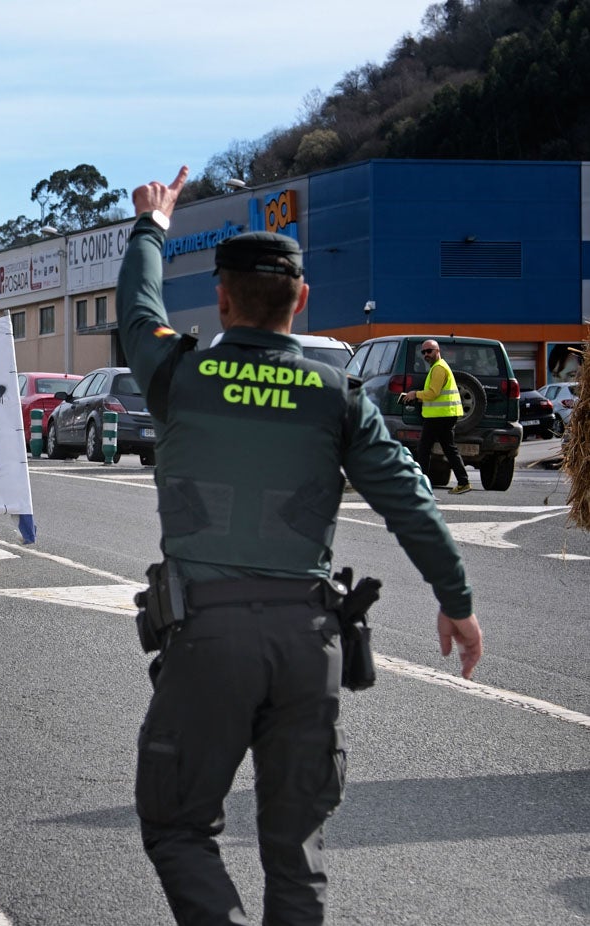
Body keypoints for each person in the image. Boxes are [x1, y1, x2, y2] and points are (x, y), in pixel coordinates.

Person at [118, 165, 483, 926]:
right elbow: (409, 502)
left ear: (221, 298)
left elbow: (135, 310)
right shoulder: (337, 392)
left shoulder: (178, 374)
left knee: (179, 824)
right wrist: (456, 603)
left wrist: (152, 226)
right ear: (302, 299)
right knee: (296, 845)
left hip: (207, 639)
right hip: (306, 640)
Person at [400, 339, 472, 494]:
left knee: (424, 448)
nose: (426, 354)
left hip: (439, 417)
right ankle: (463, 482)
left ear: (438, 351)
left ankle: (421, 484)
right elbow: (434, 394)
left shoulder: (439, 369)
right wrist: (416, 397)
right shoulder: (437, 368)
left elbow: (433, 393)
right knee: (448, 449)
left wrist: (415, 394)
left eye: (429, 351)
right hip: (443, 416)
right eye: (423, 352)